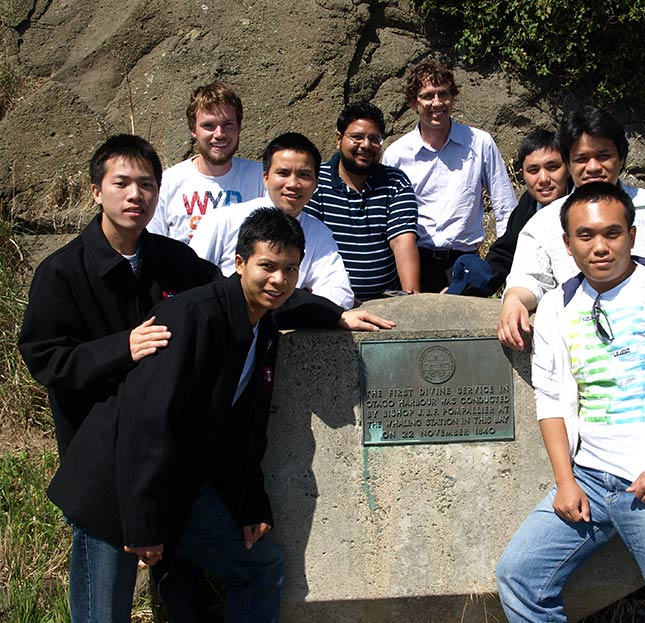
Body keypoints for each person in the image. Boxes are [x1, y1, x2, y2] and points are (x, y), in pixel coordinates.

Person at [40, 207, 394, 622]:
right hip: (117, 486)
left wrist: (250, 506)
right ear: (239, 263)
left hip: (180, 484)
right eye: (267, 266)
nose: (279, 280)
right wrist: (143, 528)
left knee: (259, 567)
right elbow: (147, 425)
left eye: (290, 268)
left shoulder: (260, 321)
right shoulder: (190, 318)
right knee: (104, 614)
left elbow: (243, 429)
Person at [495, 182, 645, 623]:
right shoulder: (556, 307)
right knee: (519, 576)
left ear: (633, 236)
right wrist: (565, 481)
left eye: (612, 233)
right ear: (567, 244)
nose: (599, 247)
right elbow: (548, 399)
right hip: (588, 480)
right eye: (585, 236)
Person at [17, 134, 220, 619]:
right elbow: (45, 358)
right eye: (122, 183)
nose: (136, 196)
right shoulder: (62, 272)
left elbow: (236, 296)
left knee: (188, 589)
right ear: (96, 191)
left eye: (147, 185)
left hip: (166, 457)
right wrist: (122, 348)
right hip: (100, 465)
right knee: (103, 606)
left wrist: (331, 313)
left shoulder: (175, 261)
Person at [499, 106, 645, 350]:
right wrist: (513, 301)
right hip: (582, 350)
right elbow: (528, 280)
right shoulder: (544, 222)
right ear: (569, 164)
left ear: (621, 158)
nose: (593, 167)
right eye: (582, 159)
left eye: (603, 156)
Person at [381, 58, 518, 292]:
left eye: (443, 94)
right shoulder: (397, 154)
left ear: (453, 97)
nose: (437, 103)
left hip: (466, 262)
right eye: (427, 96)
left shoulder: (480, 143)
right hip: (414, 262)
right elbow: (386, 216)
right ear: (413, 102)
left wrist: (500, 267)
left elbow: (505, 207)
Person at [190, 132, 355, 309]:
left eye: (304, 175)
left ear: (316, 183)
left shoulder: (318, 232)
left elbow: (340, 295)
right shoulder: (222, 220)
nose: (293, 184)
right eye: (283, 173)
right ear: (266, 178)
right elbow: (191, 280)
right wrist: (302, 297)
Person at [304, 101, 420, 301]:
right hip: (329, 298)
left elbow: (402, 240)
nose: (366, 145)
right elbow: (304, 240)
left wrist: (412, 300)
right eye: (357, 137)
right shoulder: (315, 180)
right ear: (339, 139)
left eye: (374, 139)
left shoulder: (395, 181)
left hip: (385, 301)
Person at [446, 129, 569, 296]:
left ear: (568, 167)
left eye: (552, 167)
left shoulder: (584, 205)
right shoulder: (528, 204)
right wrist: (464, 290)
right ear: (522, 174)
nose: (543, 179)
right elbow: (505, 253)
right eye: (533, 170)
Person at [148, 82, 265, 242]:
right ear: (193, 129)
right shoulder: (168, 183)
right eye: (208, 126)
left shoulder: (261, 179)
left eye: (227, 124)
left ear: (239, 126)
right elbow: (153, 246)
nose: (219, 134)